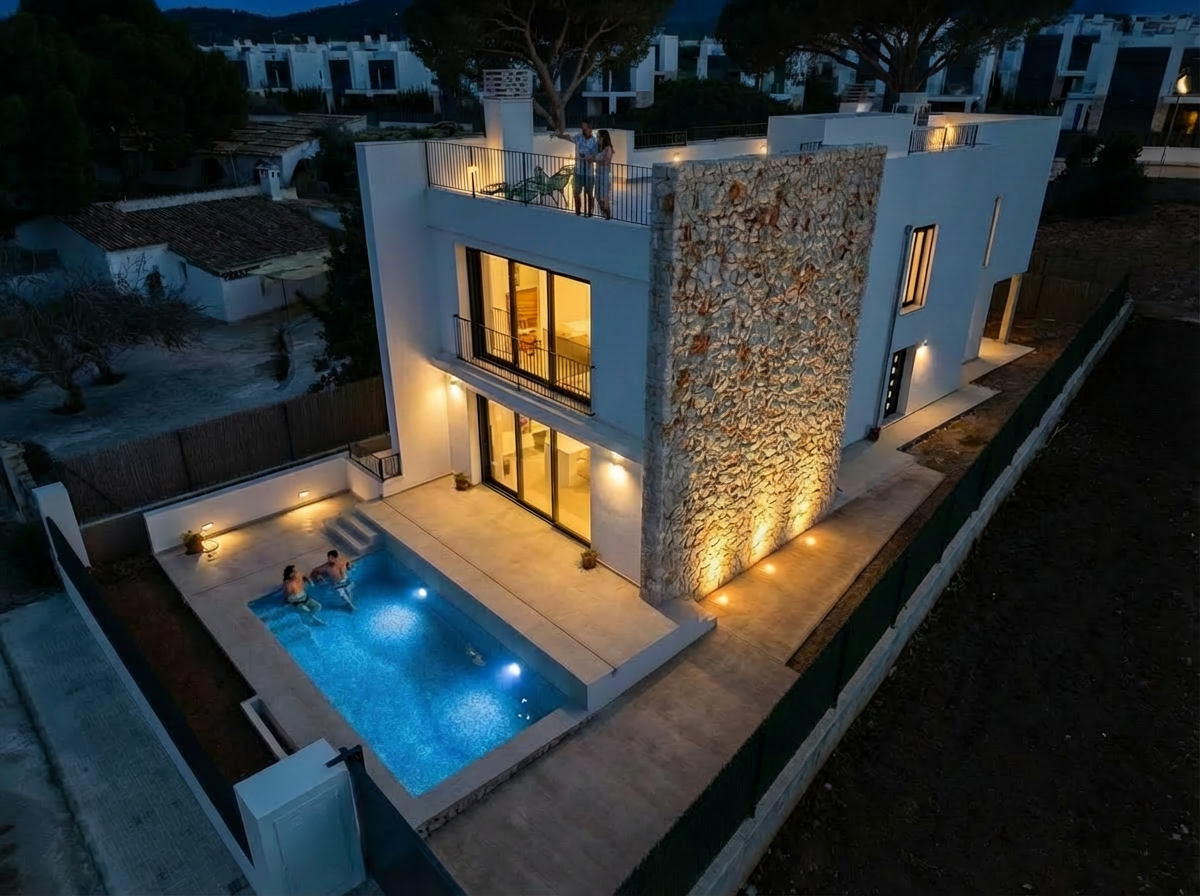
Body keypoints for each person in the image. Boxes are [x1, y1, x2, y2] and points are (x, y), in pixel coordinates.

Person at [553, 119, 598, 217]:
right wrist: (559, 135)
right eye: (582, 128)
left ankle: (590, 212)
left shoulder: (594, 142)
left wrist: (590, 158)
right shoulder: (578, 137)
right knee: (576, 191)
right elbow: (569, 137)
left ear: (590, 128)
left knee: (589, 193)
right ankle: (578, 211)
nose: (583, 130)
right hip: (578, 170)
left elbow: (596, 157)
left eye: (585, 128)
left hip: (589, 173)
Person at [594, 129, 614, 220]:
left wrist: (595, 160)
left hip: (605, 174)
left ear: (604, 137)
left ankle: (607, 215)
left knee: (604, 196)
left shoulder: (608, 148)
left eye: (599, 137)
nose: (598, 139)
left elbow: (606, 161)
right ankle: (604, 213)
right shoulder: (599, 148)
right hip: (598, 173)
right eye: (597, 137)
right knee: (598, 195)